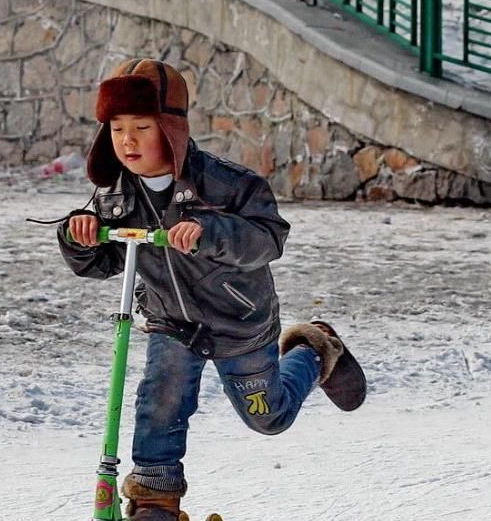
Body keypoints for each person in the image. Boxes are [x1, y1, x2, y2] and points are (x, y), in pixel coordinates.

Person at [58, 58, 366, 521]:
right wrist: (78, 236)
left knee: (268, 416)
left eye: (141, 126)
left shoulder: (228, 184)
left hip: (237, 322)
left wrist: (210, 232)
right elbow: (102, 262)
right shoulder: (117, 197)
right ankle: (155, 496)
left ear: (171, 129)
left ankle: (314, 348)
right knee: (160, 399)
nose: (128, 140)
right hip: (171, 322)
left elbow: (269, 238)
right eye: (117, 128)